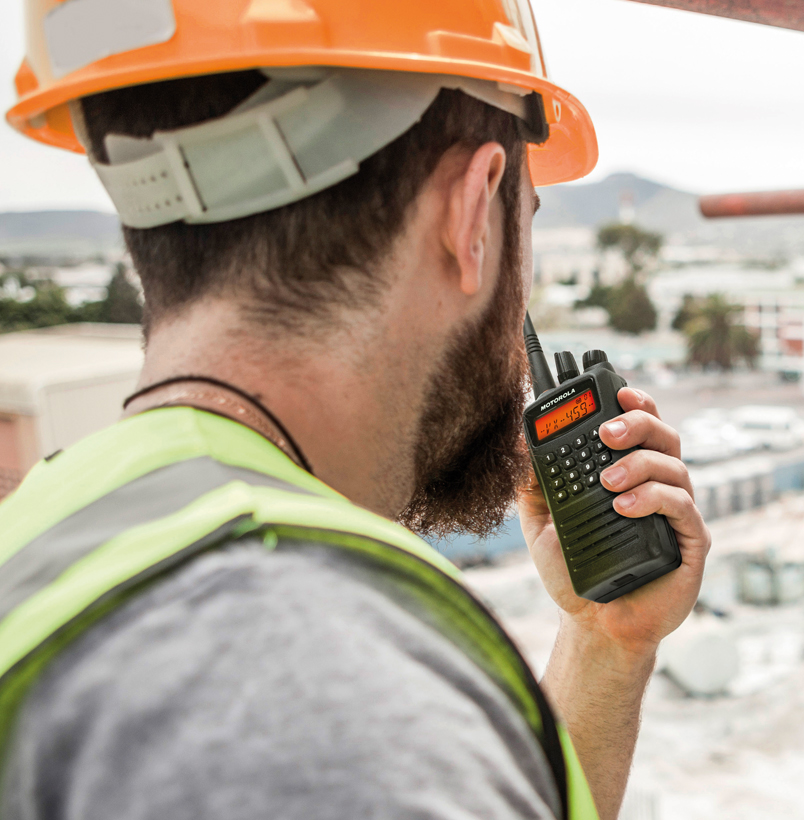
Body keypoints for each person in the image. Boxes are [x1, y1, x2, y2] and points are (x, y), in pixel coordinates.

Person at [0, 2, 706, 819]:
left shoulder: (61, 521)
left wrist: (605, 644)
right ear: (474, 211)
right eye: (528, 221)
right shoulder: (328, 699)